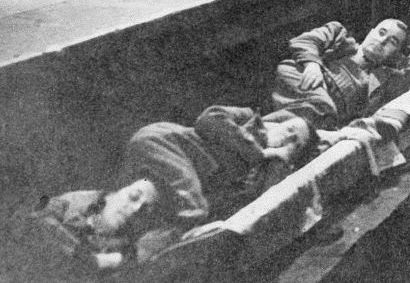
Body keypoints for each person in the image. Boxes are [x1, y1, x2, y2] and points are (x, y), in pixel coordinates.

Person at [31, 104, 318, 268]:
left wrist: (278, 163)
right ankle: (106, 258)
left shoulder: (263, 170)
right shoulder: (248, 121)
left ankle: (94, 255)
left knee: (135, 223)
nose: (287, 137)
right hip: (160, 144)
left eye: (295, 142)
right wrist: (262, 152)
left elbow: (255, 198)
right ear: (276, 120)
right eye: (290, 128)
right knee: (194, 211)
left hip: (158, 181)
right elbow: (209, 119)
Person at [273, 19, 410, 128]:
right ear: (371, 31)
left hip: (320, 115)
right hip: (301, 81)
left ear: (395, 53)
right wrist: (312, 64)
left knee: (301, 123)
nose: (382, 41)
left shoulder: (384, 78)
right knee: (320, 107)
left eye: (392, 42)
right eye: (381, 33)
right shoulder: (338, 35)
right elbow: (303, 41)